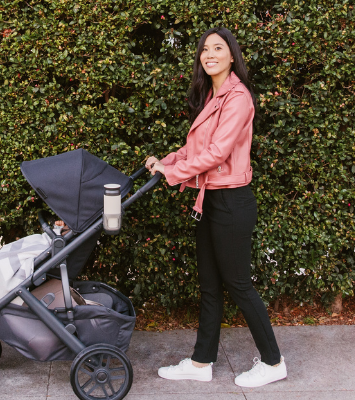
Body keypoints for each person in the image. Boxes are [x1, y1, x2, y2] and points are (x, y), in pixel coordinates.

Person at [144, 27, 287, 388]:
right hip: (210, 198)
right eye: (205, 49)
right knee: (209, 284)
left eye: (218, 48)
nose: (209, 54)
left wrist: (172, 172)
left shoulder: (237, 98)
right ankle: (201, 361)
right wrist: (168, 159)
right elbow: (197, 150)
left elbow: (217, 153)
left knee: (238, 284)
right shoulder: (213, 94)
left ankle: (273, 362)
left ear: (231, 55)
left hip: (231, 202)